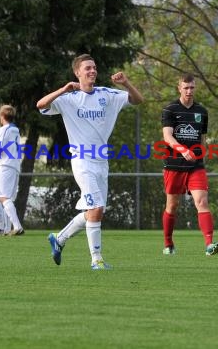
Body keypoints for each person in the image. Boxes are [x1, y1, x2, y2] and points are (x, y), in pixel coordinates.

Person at [37, 53, 143, 270]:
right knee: (95, 207)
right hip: (82, 160)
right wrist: (63, 90)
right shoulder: (68, 99)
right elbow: (40, 105)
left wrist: (126, 83)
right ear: (77, 72)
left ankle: (59, 238)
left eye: (94, 67)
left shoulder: (107, 95)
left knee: (96, 211)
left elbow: (138, 100)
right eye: (87, 68)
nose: (92, 71)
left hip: (101, 161)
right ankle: (96, 259)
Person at [160, 73, 218, 256]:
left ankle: (209, 244)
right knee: (172, 206)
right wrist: (183, 150)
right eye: (185, 87)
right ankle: (168, 243)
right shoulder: (170, 109)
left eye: (192, 87)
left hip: (196, 166)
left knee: (202, 201)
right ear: (179, 88)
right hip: (174, 165)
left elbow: (202, 138)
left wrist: (202, 154)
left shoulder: (201, 112)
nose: (189, 91)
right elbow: (167, 136)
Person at [0, 105, 24, 236]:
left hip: (5, 165)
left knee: (3, 197)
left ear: (1, 116)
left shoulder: (4, 129)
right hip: (14, 165)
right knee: (8, 199)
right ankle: (8, 229)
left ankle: (17, 226)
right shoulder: (15, 129)